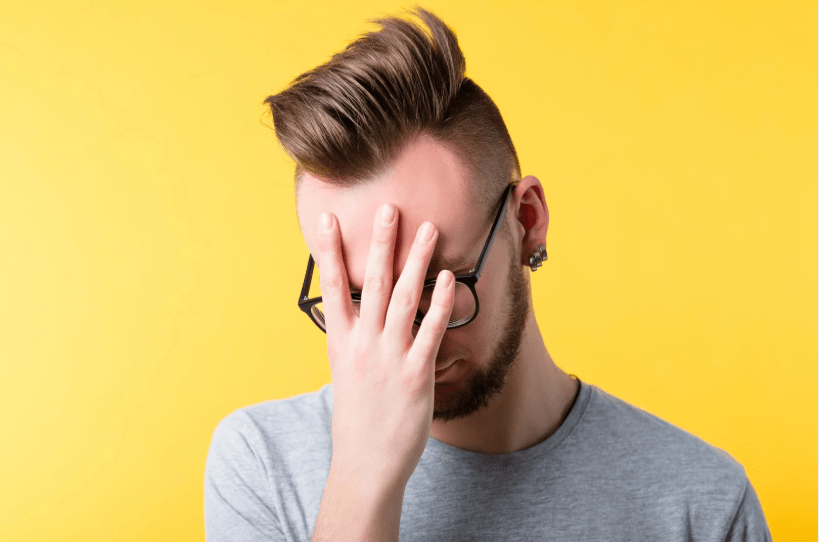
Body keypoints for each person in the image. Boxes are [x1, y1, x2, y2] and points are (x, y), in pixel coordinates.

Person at [204, 6, 772, 541]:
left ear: (527, 222)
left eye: (435, 282)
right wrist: (362, 472)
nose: (406, 337)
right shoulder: (262, 461)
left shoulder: (703, 501)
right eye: (358, 294)